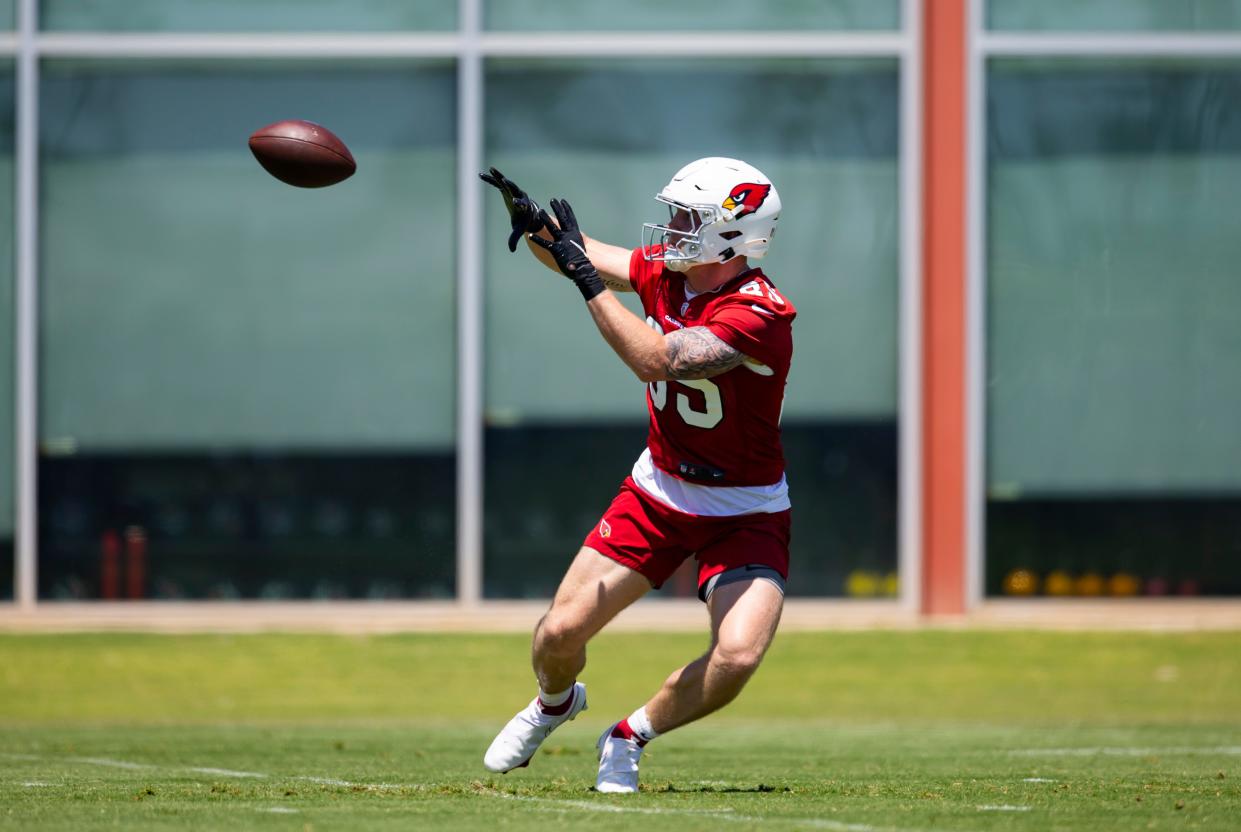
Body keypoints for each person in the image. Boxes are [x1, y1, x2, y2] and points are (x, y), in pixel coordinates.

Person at [479, 157, 796, 794]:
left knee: (738, 654)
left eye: (689, 218)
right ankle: (554, 703)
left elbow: (656, 360)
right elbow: (585, 254)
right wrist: (539, 228)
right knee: (558, 634)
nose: (673, 228)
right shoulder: (670, 273)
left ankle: (630, 735)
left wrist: (582, 281)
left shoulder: (760, 313)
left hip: (746, 507)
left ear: (733, 234)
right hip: (659, 489)